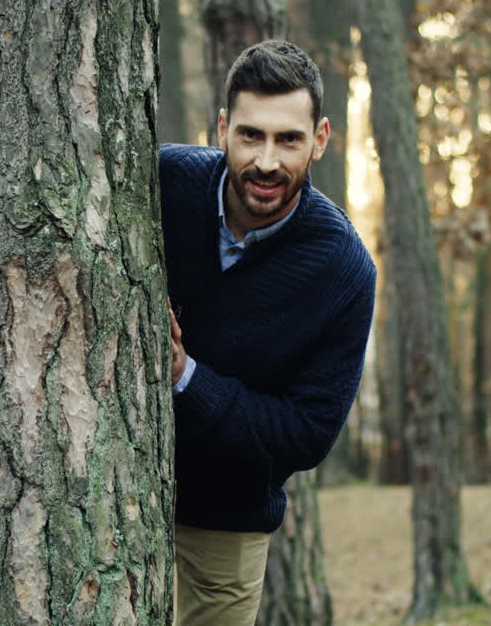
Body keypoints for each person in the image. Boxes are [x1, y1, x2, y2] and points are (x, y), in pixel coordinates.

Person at [160, 39, 376, 626]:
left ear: (321, 139)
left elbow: (306, 434)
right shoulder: (161, 181)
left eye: (289, 139)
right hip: (104, 482)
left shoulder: (343, 269)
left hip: (226, 517)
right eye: (251, 135)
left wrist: (187, 377)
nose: (266, 162)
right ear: (223, 128)